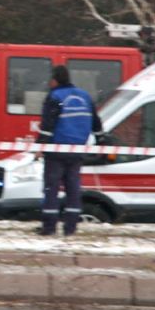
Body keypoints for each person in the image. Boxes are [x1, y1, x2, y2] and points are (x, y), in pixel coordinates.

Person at [37, 65, 99, 236]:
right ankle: (70, 228)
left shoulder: (55, 96)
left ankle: (49, 227)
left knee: (52, 189)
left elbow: (47, 126)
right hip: (78, 150)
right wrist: (101, 139)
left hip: (57, 151)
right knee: (73, 190)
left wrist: (40, 146)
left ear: (55, 80)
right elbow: (96, 123)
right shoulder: (85, 96)